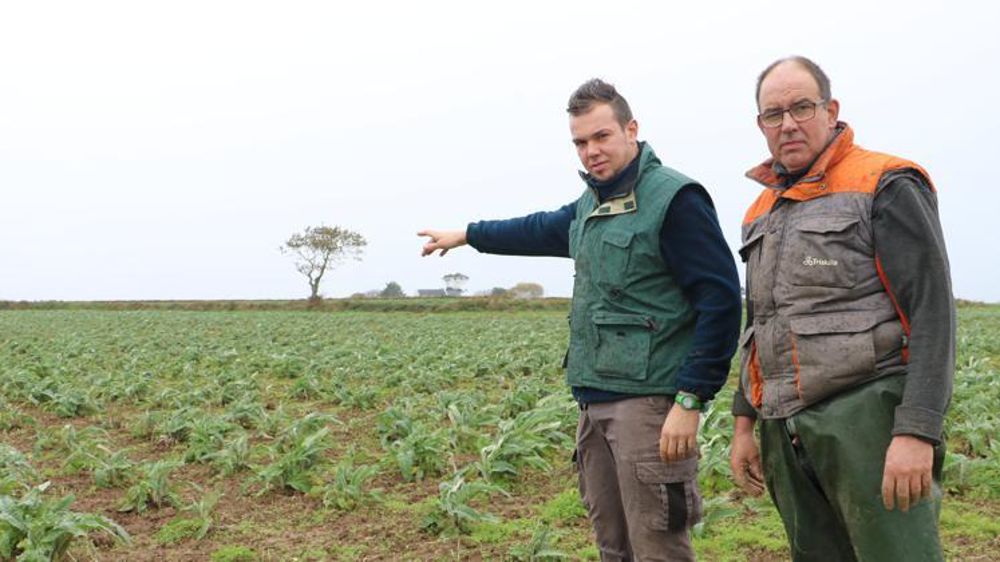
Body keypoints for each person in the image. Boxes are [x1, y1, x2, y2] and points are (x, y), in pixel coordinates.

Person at [419, 79, 741, 561]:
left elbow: (720, 302)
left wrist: (690, 399)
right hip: (594, 404)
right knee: (613, 544)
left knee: (658, 546)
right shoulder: (592, 205)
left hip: (650, 407)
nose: (591, 151)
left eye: (601, 136)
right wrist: (466, 234)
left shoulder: (674, 200)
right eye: (580, 142)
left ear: (631, 130)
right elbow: (536, 228)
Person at [728, 56, 955, 562]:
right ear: (761, 125)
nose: (787, 123)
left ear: (830, 110)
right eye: (773, 114)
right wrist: (745, 422)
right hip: (786, 429)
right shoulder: (759, 211)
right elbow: (759, 323)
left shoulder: (885, 182)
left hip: (868, 422)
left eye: (802, 108)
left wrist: (916, 430)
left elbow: (932, 311)